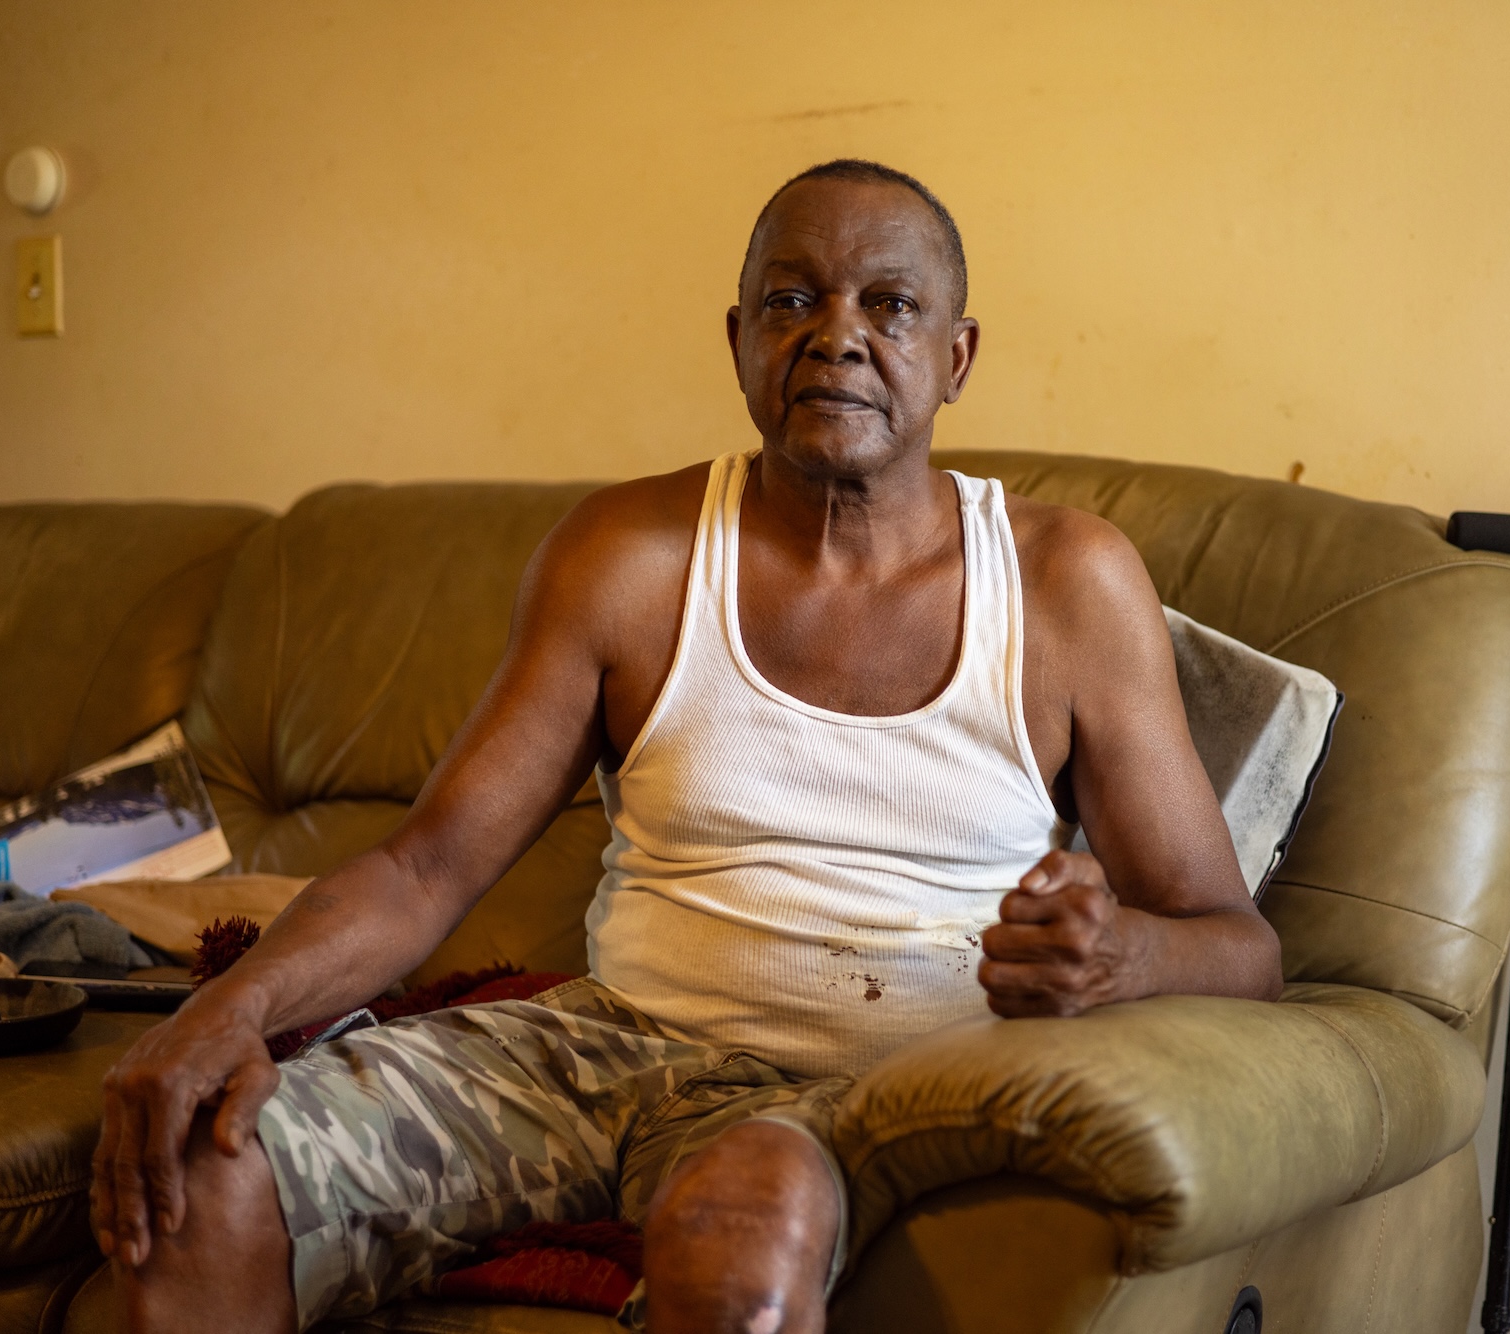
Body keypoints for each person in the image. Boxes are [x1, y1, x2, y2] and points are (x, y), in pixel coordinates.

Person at [90, 159, 1284, 1334]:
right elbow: (423, 869)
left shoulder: (1064, 579)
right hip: (601, 1048)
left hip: (861, 1093)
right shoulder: (628, 550)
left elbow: (1240, 948)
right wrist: (232, 1011)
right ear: (736, 339)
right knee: (200, 1171)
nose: (835, 334)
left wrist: (1117, 955)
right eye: (790, 298)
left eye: (889, 303)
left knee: (738, 1236)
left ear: (955, 357)